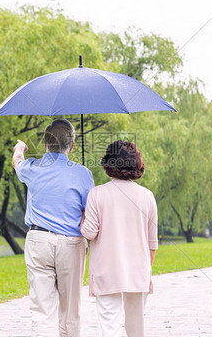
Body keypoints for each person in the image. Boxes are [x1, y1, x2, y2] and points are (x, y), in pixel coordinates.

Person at [12, 118, 94, 337]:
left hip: (39, 240)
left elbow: (17, 162)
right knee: (71, 309)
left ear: (45, 143)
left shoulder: (32, 167)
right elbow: (89, 213)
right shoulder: (84, 174)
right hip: (71, 242)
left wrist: (20, 148)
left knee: (41, 308)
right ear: (72, 146)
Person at [80, 140, 158, 337]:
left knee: (109, 327)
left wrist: (83, 215)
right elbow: (152, 243)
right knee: (136, 328)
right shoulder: (147, 196)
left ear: (109, 163)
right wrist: (146, 270)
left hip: (106, 271)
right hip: (138, 271)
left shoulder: (96, 194)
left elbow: (89, 233)